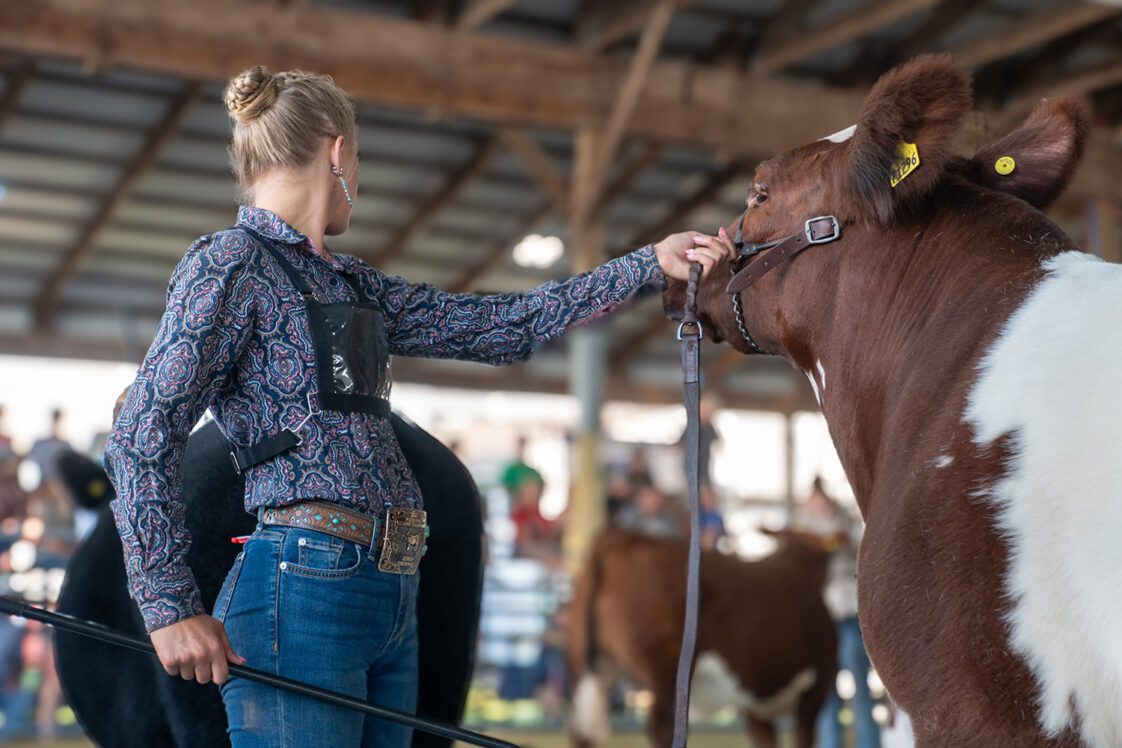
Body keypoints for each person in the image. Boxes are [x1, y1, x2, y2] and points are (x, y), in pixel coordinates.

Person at [101, 65, 737, 748]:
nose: (361, 178)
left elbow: (506, 326)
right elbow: (142, 431)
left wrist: (647, 264)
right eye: (360, 158)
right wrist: (168, 606)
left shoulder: (355, 284)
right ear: (337, 151)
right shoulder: (228, 263)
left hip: (390, 587)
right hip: (304, 583)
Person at [791, 478, 880, 748]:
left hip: (846, 618)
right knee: (830, 695)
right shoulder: (805, 531)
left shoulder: (844, 526)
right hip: (824, 621)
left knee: (857, 691)